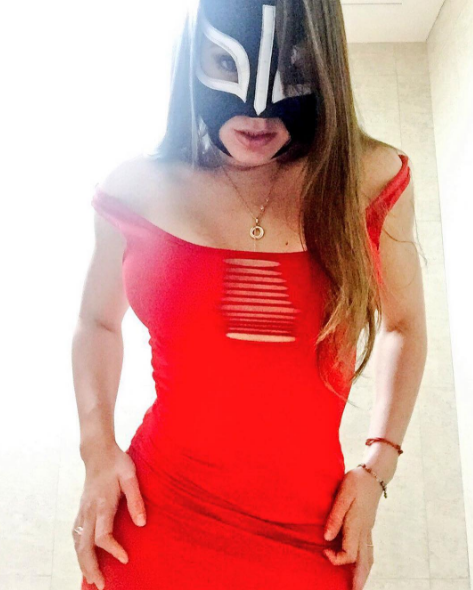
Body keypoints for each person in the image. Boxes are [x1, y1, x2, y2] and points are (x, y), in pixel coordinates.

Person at [71, 0, 427, 588]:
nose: (258, 113)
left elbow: (404, 326)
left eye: (295, 67)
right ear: (194, 56)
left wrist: (377, 467)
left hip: (310, 534)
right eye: (223, 61)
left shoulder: (369, 181)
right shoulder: (137, 188)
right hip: (154, 520)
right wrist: (96, 449)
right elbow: (96, 322)